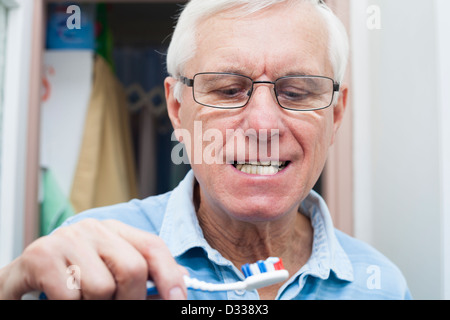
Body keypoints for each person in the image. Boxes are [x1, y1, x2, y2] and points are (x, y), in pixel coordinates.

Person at [0, 0, 411, 300]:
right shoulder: (91, 256)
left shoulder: (382, 285)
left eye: (298, 92)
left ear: (335, 114)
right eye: (229, 90)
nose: (264, 126)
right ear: (177, 110)